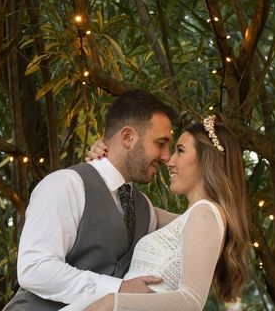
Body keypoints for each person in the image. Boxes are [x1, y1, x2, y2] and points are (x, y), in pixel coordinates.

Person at [3, 89, 179, 310]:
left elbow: (195, 223)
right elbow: (35, 268)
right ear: (128, 137)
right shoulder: (65, 185)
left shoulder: (144, 209)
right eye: (161, 143)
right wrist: (118, 288)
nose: (166, 156)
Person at [78, 115, 251, 311]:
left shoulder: (205, 214)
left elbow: (191, 301)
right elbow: (125, 204)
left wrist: (112, 302)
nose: (170, 160)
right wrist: (106, 162)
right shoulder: (192, 219)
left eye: (180, 151)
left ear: (206, 160)